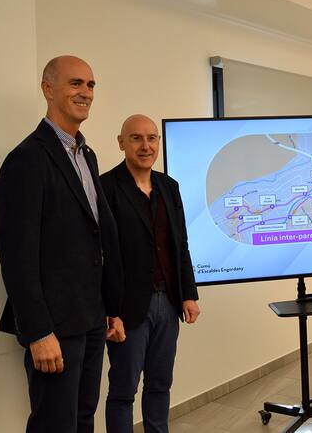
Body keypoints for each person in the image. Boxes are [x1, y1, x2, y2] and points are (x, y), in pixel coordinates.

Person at [0, 55, 125, 433]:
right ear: (48, 89)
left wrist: (111, 309)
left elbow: (95, 237)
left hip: (92, 317)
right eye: (75, 83)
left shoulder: (87, 155)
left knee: (83, 418)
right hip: (54, 324)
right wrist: (38, 331)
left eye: (91, 84)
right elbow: (16, 256)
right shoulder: (27, 159)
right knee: (55, 424)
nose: (86, 92)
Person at [101, 114, 200, 433]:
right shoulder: (106, 187)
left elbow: (180, 244)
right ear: (121, 143)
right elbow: (101, 256)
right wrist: (110, 312)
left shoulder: (169, 187)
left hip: (168, 303)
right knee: (123, 391)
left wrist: (188, 294)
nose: (146, 146)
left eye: (152, 138)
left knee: (160, 384)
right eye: (136, 138)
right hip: (127, 309)